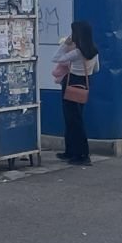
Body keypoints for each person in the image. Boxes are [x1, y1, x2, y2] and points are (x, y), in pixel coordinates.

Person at [52, 21, 100, 166]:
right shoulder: (94, 52)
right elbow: (96, 69)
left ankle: (81, 154)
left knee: (72, 120)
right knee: (76, 119)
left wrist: (65, 44)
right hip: (84, 83)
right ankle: (72, 151)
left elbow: (56, 58)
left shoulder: (77, 53)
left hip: (71, 83)